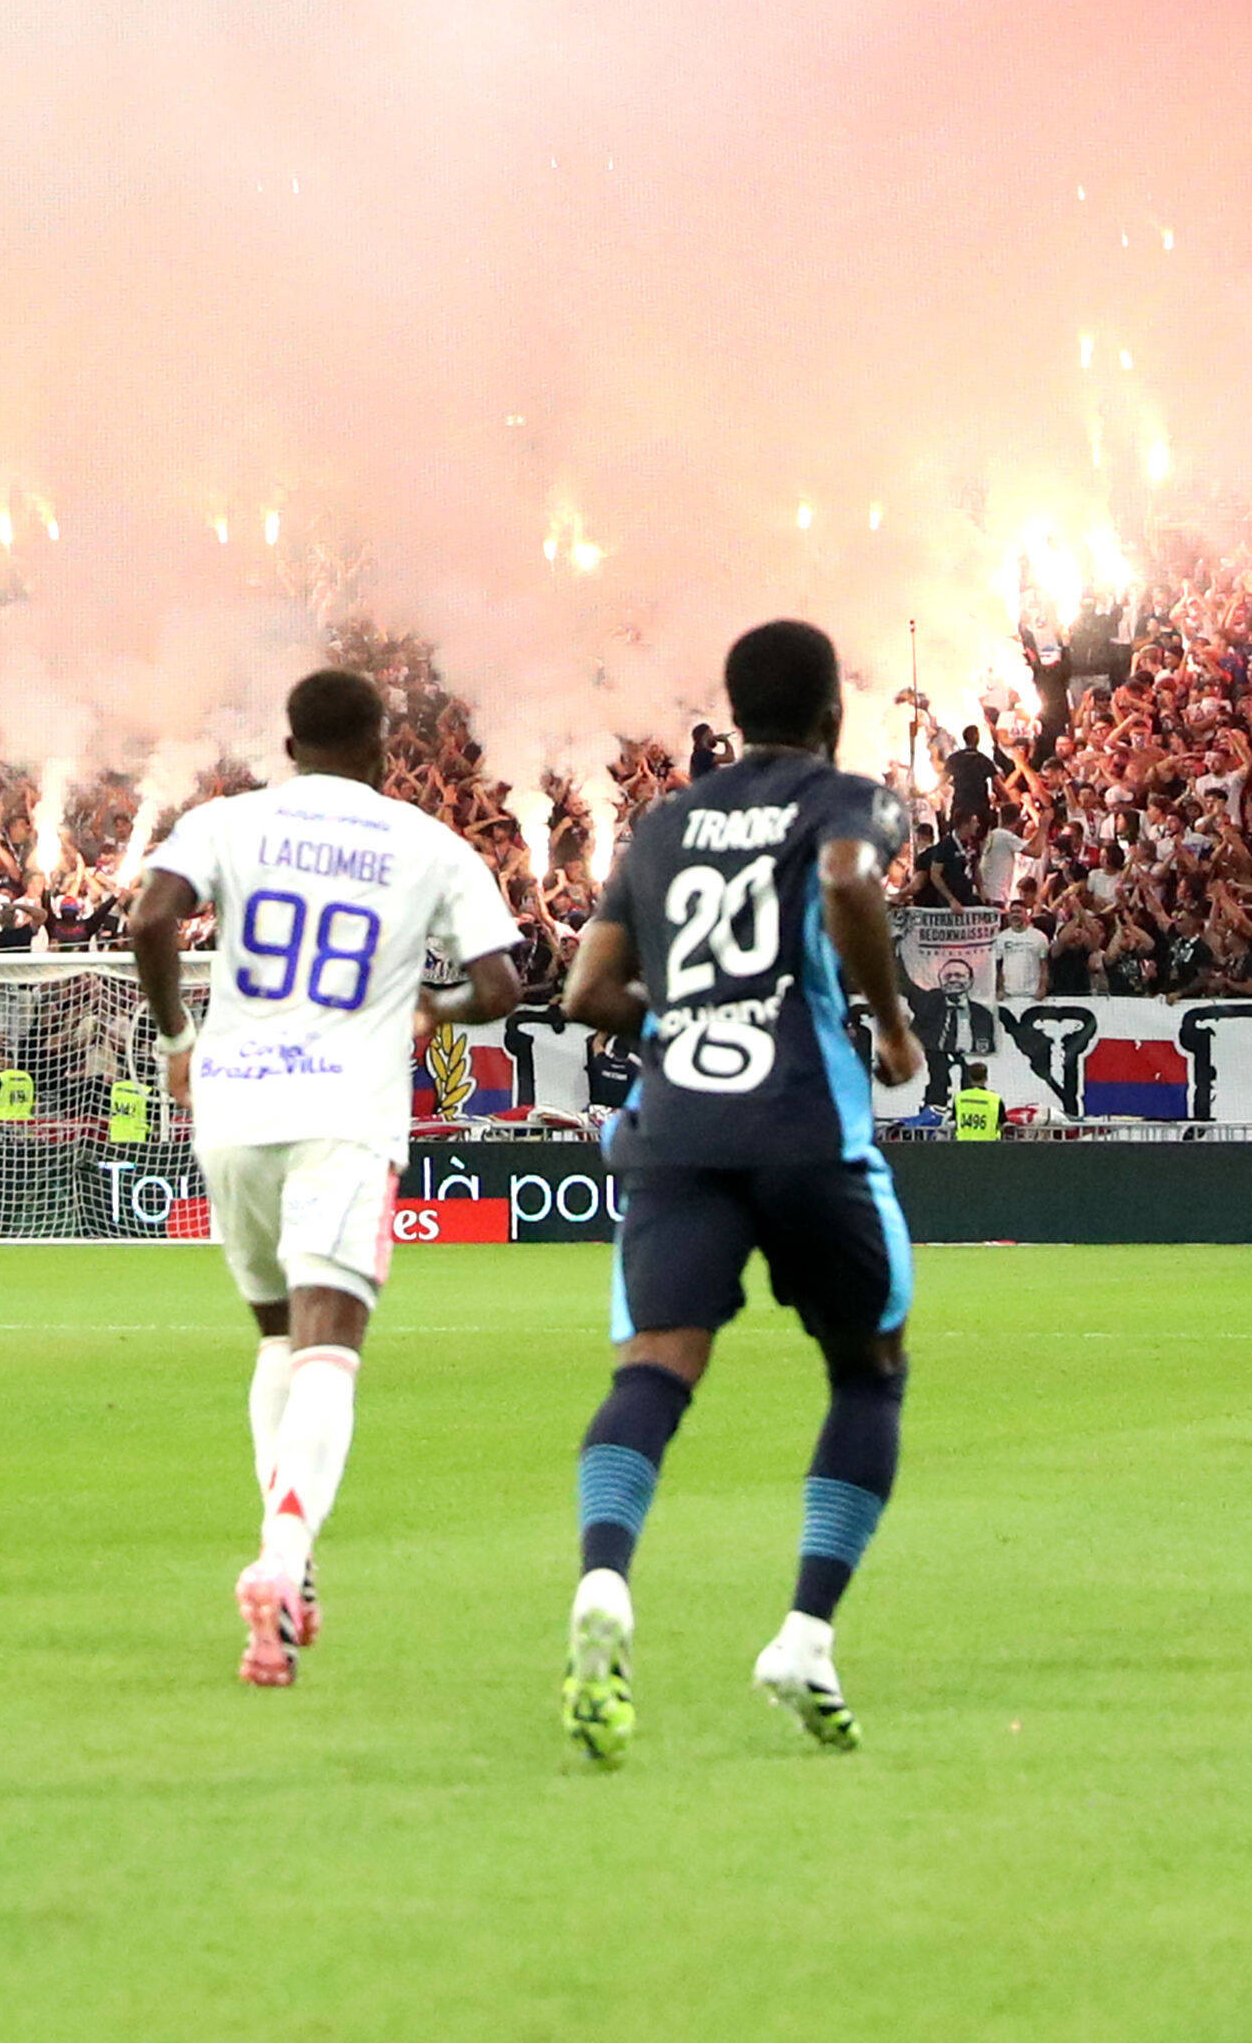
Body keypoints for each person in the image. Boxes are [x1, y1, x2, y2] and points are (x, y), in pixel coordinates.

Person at [552, 618, 923, 1767]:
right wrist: (893, 1020)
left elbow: (584, 989)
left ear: (732, 707)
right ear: (829, 716)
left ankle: (605, 1577)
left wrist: (682, 1022)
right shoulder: (846, 796)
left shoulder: (663, 823)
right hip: (806, 1127)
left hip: (678, 1134)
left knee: (653, 1371)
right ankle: (805, 1634)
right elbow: (852, 878)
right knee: (869, 1370)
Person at [124, 666, 524, 1687]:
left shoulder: (228, 821)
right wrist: (434, 1009)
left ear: (288, 744)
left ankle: (290, 1562)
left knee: (275, 1334)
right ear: (386, 748)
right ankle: (286, 1556)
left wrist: (178, 1032)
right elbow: (502, 983)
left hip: (234, 1104)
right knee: (330, 1342)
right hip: (343, 1115)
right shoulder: (429, 844)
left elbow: (148, 917)